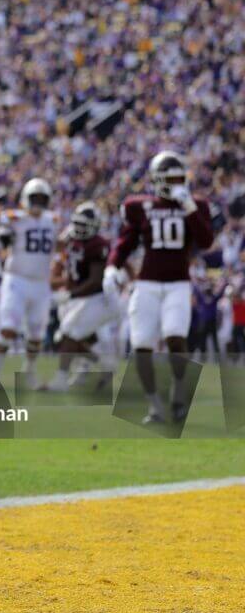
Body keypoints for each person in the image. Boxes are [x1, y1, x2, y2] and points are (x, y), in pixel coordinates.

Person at [106, 151, 216, 423]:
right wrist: (112, 265)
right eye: (172, 178)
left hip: (178, 283)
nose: (178, 183)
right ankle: (154, 405)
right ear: (157, 180)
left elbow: (205, 241)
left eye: (181, 177)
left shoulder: (195, 205)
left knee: (175, 337)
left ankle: (179, 396)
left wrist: (189, 207)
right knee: (141, 344)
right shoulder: (140, 206)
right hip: (147, 284)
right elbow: (126, 242)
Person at [0, 179, 61, 389]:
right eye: (34, 198)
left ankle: (29, 373)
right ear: (25, 199)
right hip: (16, 279)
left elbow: (59, 248)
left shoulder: (53, 220)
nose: (37, 202)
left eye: (41, 198)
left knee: (36, 334)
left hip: (41, 283)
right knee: (8, 328)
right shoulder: (14, 219)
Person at [47, 202, 120, 390]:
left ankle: (61, 379)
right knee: (77, 338)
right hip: (83, 297)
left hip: (98, 298)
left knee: (68, 333)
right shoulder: (71, 238)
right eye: (77, 224)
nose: (79, 229)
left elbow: (95, 281)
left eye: (83, 225)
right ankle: (105, 365)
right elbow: (57, 250)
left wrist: (69, 295)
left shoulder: (98, 245)